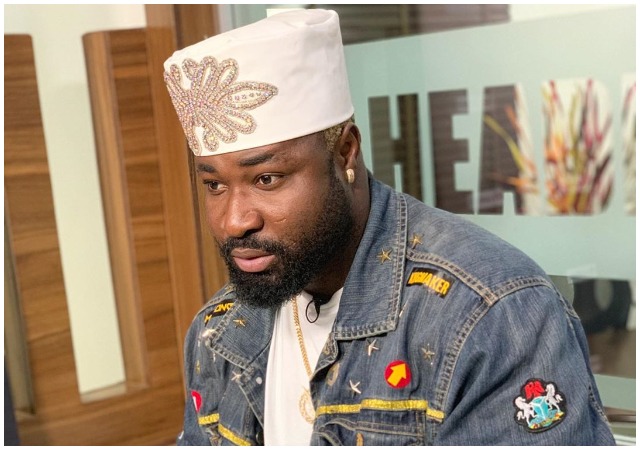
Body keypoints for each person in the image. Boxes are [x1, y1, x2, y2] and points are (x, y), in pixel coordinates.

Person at [163, 8, 615, 446]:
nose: (235, 220)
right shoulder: (218, 329)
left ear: (345, 153)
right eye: (214, 185)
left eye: (267, 179)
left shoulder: (488, 313)